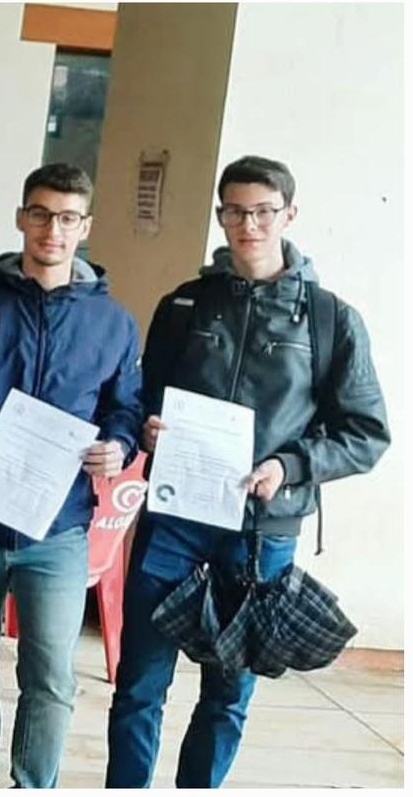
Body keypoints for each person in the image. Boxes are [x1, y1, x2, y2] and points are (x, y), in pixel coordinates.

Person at [104, 156, 390, 789]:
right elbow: (144, 399)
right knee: (138, 685)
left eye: (263, 211)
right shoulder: (184, 305)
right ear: (221, 216)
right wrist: (148, 427)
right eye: (235, 211)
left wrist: (289, 466)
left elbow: (366, 434)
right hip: (174, 522)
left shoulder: (331, 319)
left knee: (228, 694)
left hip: (262, 533)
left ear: (289, 215)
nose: (249, 224)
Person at [0, 163, 143, 788]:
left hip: (60, 525)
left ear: (85, 227)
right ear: (21, 217)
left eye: (68, 218)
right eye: (41, 214)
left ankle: (33, 784)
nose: (53, 230)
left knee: (51, 675)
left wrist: (117, 445)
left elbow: (125, 407)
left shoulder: (114, 323)